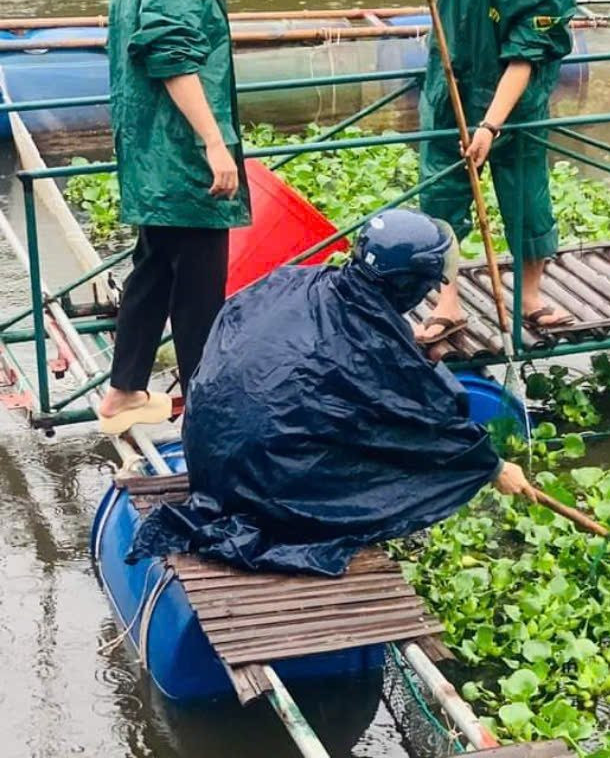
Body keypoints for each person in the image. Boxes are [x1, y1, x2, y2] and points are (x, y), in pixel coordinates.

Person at [129, 209, 537, 577]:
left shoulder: (297, 280)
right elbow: (428, 424)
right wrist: (491, 467)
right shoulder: (373, 350)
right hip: (265, 487)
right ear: (408, 284)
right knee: (388, 457)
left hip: (210, 456)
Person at [96, 0, 277, 435]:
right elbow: (172, 59)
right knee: (199, 279)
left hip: (149, 147)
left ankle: (124, 391)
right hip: (179, 152)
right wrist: (215, 144)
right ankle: (205, 407)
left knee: (153, 268)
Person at [394, 0, 577, 344]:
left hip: (516, 107)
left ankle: (530, 296)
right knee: (443, 199)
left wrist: (491, 125)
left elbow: (523, 60)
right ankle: (448, 303)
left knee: (527, 199)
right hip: (451, 86)